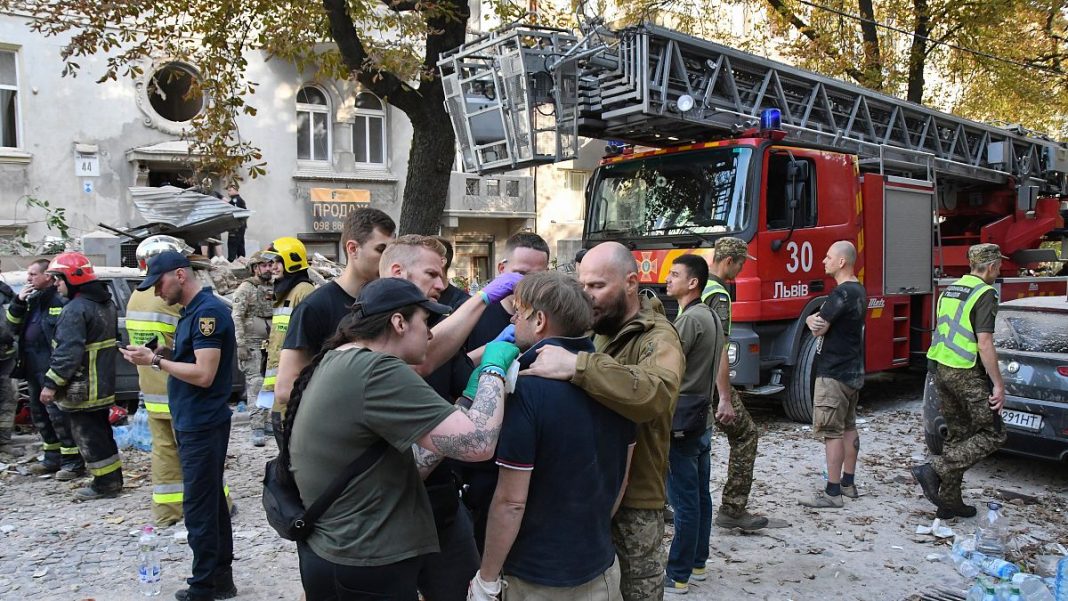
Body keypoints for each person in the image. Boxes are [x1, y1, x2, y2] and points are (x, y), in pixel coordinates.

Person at [281, 277, 520, 601]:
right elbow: (478, 444)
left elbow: (413, 462)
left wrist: (466, 400)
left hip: (348, 556)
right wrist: (493, 369)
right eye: (425, 322)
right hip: (364, 563)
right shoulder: (376, 371)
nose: (431, 333)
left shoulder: (344, 359)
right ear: (398, 322)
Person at [525, 241, 684, 601]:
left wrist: (579, 366)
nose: (587, 296)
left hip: (635, 501)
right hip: (592, 491)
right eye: (582, 286)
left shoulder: (658, 338)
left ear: (631, 282)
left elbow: (656, 396)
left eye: (597, 286)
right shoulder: (600, 327)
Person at [474, 271, 635, 601]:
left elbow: (510, 503)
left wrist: (487, 578)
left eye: (518, 310)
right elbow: (621, 479)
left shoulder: (526, 391)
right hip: (600, 566)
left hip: (537, 578)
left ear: (539, 321)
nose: (513, 317)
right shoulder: (616, 379)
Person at [378, 234, 521, 601]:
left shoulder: (406, 326)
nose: (443, 284)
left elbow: (437, 360)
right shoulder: (368, 348)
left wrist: (481, 357)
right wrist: (490, 372)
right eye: (432, 274)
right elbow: (423, 363)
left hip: (439, 501)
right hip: (383, 512)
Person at [121, 251, 238, 601]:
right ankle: (220, 579)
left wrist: (156, 361)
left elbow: (204, 374)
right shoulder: (190, 311)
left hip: (202, 423)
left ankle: (203, 587)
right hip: (194, 420)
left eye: (159, 284)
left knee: (200, 508)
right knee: (211, 502)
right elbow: (191, 360)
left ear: (180, 275)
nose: (157, 292)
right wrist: (162, 352)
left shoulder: (208, 313)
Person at [460, 232, 551, 551]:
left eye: (538, 276)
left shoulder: (547, 320)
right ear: (502, 268)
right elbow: (451, 380)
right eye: (521, 274)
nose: (528, 284)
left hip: (523, 457)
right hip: (476, 459)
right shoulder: (469, 315)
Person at [913, 243, 1007, 519]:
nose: (998, 270)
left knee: (957, 435)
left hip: (940, 368)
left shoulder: (951, 289)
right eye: (998, 266)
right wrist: (998, 384)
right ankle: (935, 469)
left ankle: (949, 503)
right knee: (993, 434)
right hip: (965, 372)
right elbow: (985, 343)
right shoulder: (985, 293)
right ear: (990, 267)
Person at [274, 208, 395, 407]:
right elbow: (285, 389)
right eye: (381, 250)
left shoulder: (387, 304)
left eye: (391, 251)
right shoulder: (314, 307)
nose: (388, 260)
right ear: (353, 249)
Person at [663, 255, 724, 594]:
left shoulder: (689, 321)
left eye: (674, 275)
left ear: (693, 283)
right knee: (700, 495)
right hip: (703, 419)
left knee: (684, 500)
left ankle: (678, 574)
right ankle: (698, 564)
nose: (667, 279)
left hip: (682, 421)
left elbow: (664, 363)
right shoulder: (711, 315)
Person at [40, 252, 122, 500]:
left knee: (88, 435)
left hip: (82, 386)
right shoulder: (104, 303)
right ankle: (112, 478)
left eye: (58, 279)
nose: (55, 284)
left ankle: (105, 484)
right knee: (101, 432)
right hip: (102, 383)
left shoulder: (76, 309)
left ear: (72, 278)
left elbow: (67, 352)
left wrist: (51, 384)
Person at [702, 237, 768, 530]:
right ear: (729, 261)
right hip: (709, 383)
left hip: (690, 380)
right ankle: (732, 508)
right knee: (746, 435)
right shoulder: (719, 294)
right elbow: (719, 349)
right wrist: (725, 397)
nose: (742, 270)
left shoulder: (698, 284)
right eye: (741, 263)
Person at [126, 236, 193, 526]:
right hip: (176, 383)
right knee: (194, 453)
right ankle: (219, 503)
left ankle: (167, 512)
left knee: (164, 450)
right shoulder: (168, 296)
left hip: (150, 387)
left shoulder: (135, 295)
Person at [800, 241, 866, 509]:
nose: (823, 261)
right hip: (853, 370)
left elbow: (818, 327)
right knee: (849, 426)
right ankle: (849, 484)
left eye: (827, 257)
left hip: (834, 372)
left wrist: (807, 320)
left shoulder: (841, 293)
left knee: (832, 432)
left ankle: (832, 492)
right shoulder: (859, 290)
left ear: (842, 262)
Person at [4, 259, 80, 473]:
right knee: (40, 415)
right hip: (31, 366)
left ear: (48, 276)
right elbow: (10, 328)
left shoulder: (60, 300)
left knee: (59, 416)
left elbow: (66, 339)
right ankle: (51, 459)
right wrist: (18, 301)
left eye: (33, 274)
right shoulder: (31, 299)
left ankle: (72, 462)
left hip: (51, 368)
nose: (28, 279)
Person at [261, 237, 316, 447]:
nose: (272, 267)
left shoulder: (303, 292)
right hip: (281, 386)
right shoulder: (286, 292)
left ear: (291, 261)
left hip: (294, 384)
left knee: (292, 442)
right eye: (271, 262)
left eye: (277, 261)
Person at [231, 251, 274, 446]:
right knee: (256, 383)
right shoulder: (245, 289)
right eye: (264, 265)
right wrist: (240, 344)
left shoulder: (273, 287)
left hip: (269, 343)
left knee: (269, 383)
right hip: (251, 344)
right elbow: (237, 316)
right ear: (255, 268)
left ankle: (265, 421)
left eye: (269, 265)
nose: (268, 269)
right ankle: (256, 426)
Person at [225, 184, 247, 262]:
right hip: (240, 227)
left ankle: (231, 262)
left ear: (235, 190)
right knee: (240, 247)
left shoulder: (235, 200)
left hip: (236, 228)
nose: (228, 192)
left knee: (232, 246)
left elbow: (234, 212)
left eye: (230, 190)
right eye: (228, 191)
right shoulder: (239, 199)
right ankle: (242, 262)